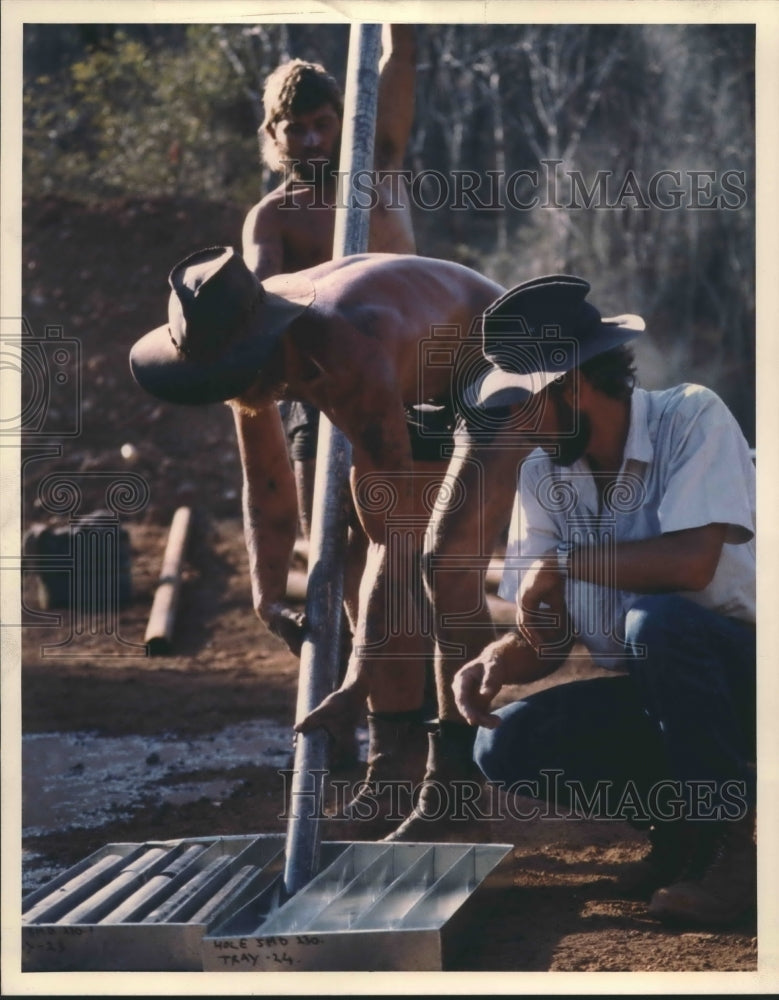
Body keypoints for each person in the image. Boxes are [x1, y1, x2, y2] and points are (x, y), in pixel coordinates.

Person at [128, 246, 508, 830]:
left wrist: (355, 679)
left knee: (444, 563)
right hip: (411, 369)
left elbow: (399, 540)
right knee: (359, 558)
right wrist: (268, 591)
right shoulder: (239, 328)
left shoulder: (349, 349)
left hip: (493, 359)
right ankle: (392, 768)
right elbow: (267, 479)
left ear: (262, 349)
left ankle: (454, 780)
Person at [445, 274, 756, 926]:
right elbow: (547, 635)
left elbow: (690, 565)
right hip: (666, 689)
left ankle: (739, 853)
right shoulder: (542, 474)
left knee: (659, 623)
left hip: (751, 679)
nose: (517, 425)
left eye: (524, 404)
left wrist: (562, 563)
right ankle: (683, 840)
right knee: (508, 744)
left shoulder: (691, 416)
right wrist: (502, 659)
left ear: (574, 386)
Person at [242, 24, 417, 539]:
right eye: (296, 128)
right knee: (330, 542)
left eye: (323, 123)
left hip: (419, 381)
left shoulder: (378, 167)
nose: (313, 139)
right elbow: (261, 303)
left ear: (344, 122)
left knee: (418, 547)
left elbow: (401, 51)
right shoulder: (273, 219)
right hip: (324, 397)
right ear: (274, 135)